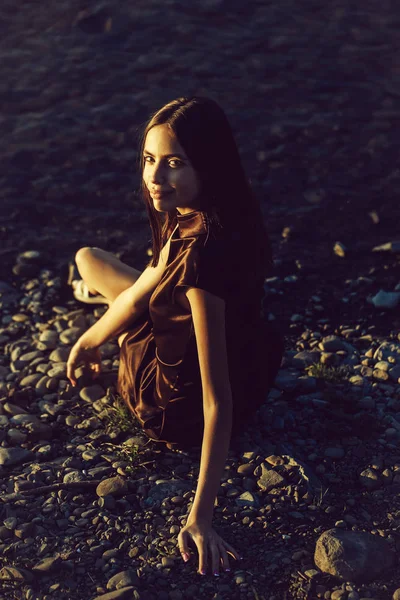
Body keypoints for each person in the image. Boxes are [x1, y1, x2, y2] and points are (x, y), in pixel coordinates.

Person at [66, 96, 284, 577]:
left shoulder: (203, 260)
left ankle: (99, 302)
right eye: (149, 160)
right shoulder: (215, 212)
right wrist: (89, 340)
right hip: (252, 369)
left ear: (207, 164)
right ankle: (99, 302)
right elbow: (143, 289)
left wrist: (200, 516)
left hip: (173, 407)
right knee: (92, 261)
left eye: (174, 164)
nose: (154, 177)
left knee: (91, 265)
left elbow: (216, 400)